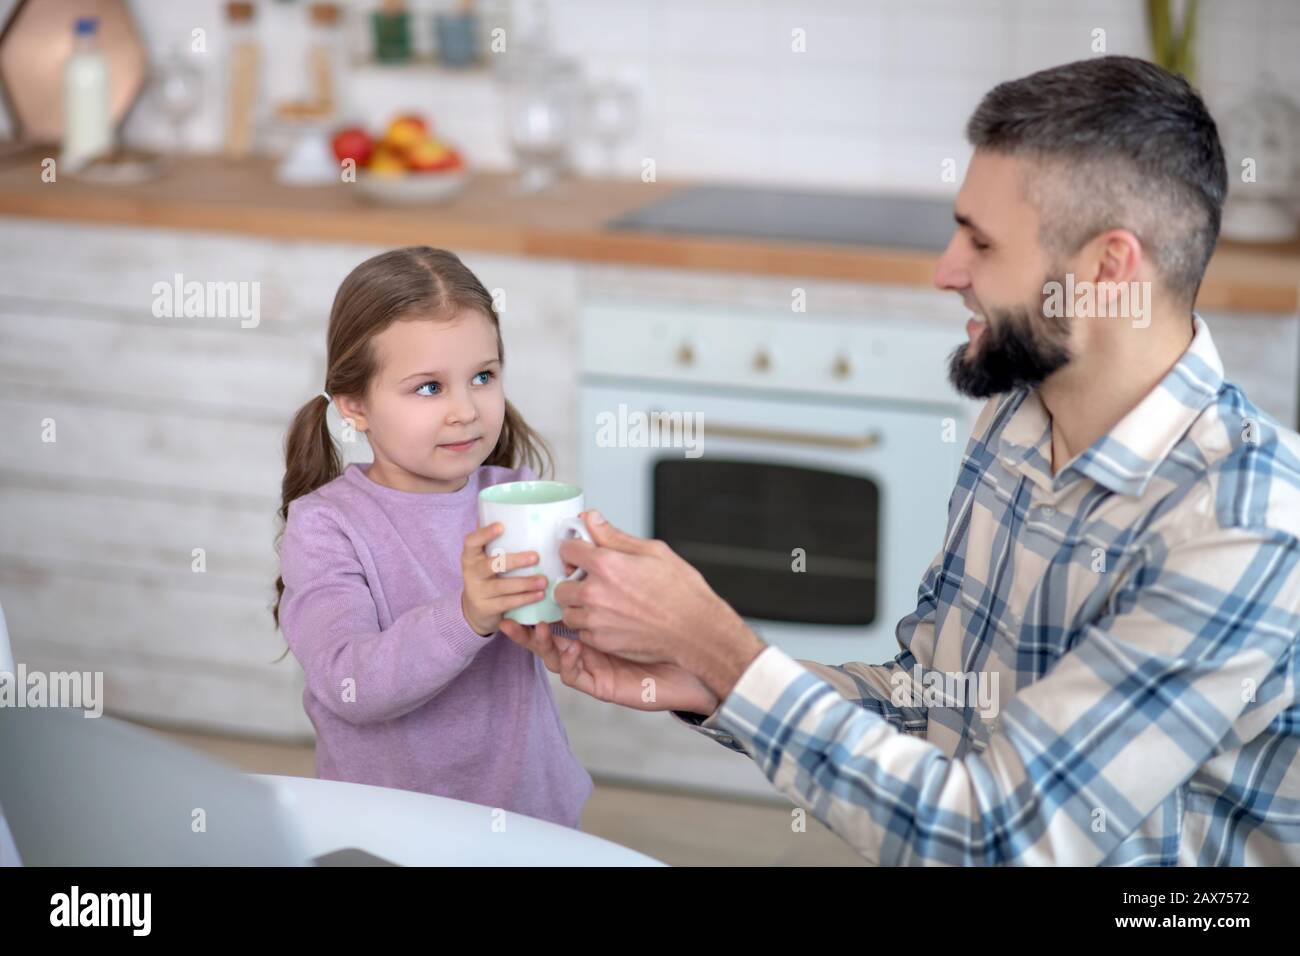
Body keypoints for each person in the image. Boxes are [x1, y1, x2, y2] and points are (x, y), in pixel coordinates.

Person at [501, 56, 1300, 864]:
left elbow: (992, 841)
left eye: (982, 244)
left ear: (1106, 270)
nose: (945, 271)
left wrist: (720, 647)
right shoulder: (1020, 417)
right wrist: (707, 676)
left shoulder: (1243, 524)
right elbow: (936, 705)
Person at [274, 246, 592, 828]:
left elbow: (567, 637)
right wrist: (468, 614)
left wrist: (591, 591)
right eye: (428, 388)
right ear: (355, 405)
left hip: (531, 821)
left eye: (482, 377)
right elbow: (350, 683)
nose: (466, 410)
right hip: (393, 833)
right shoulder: (327, 525)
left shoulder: (518, 497)